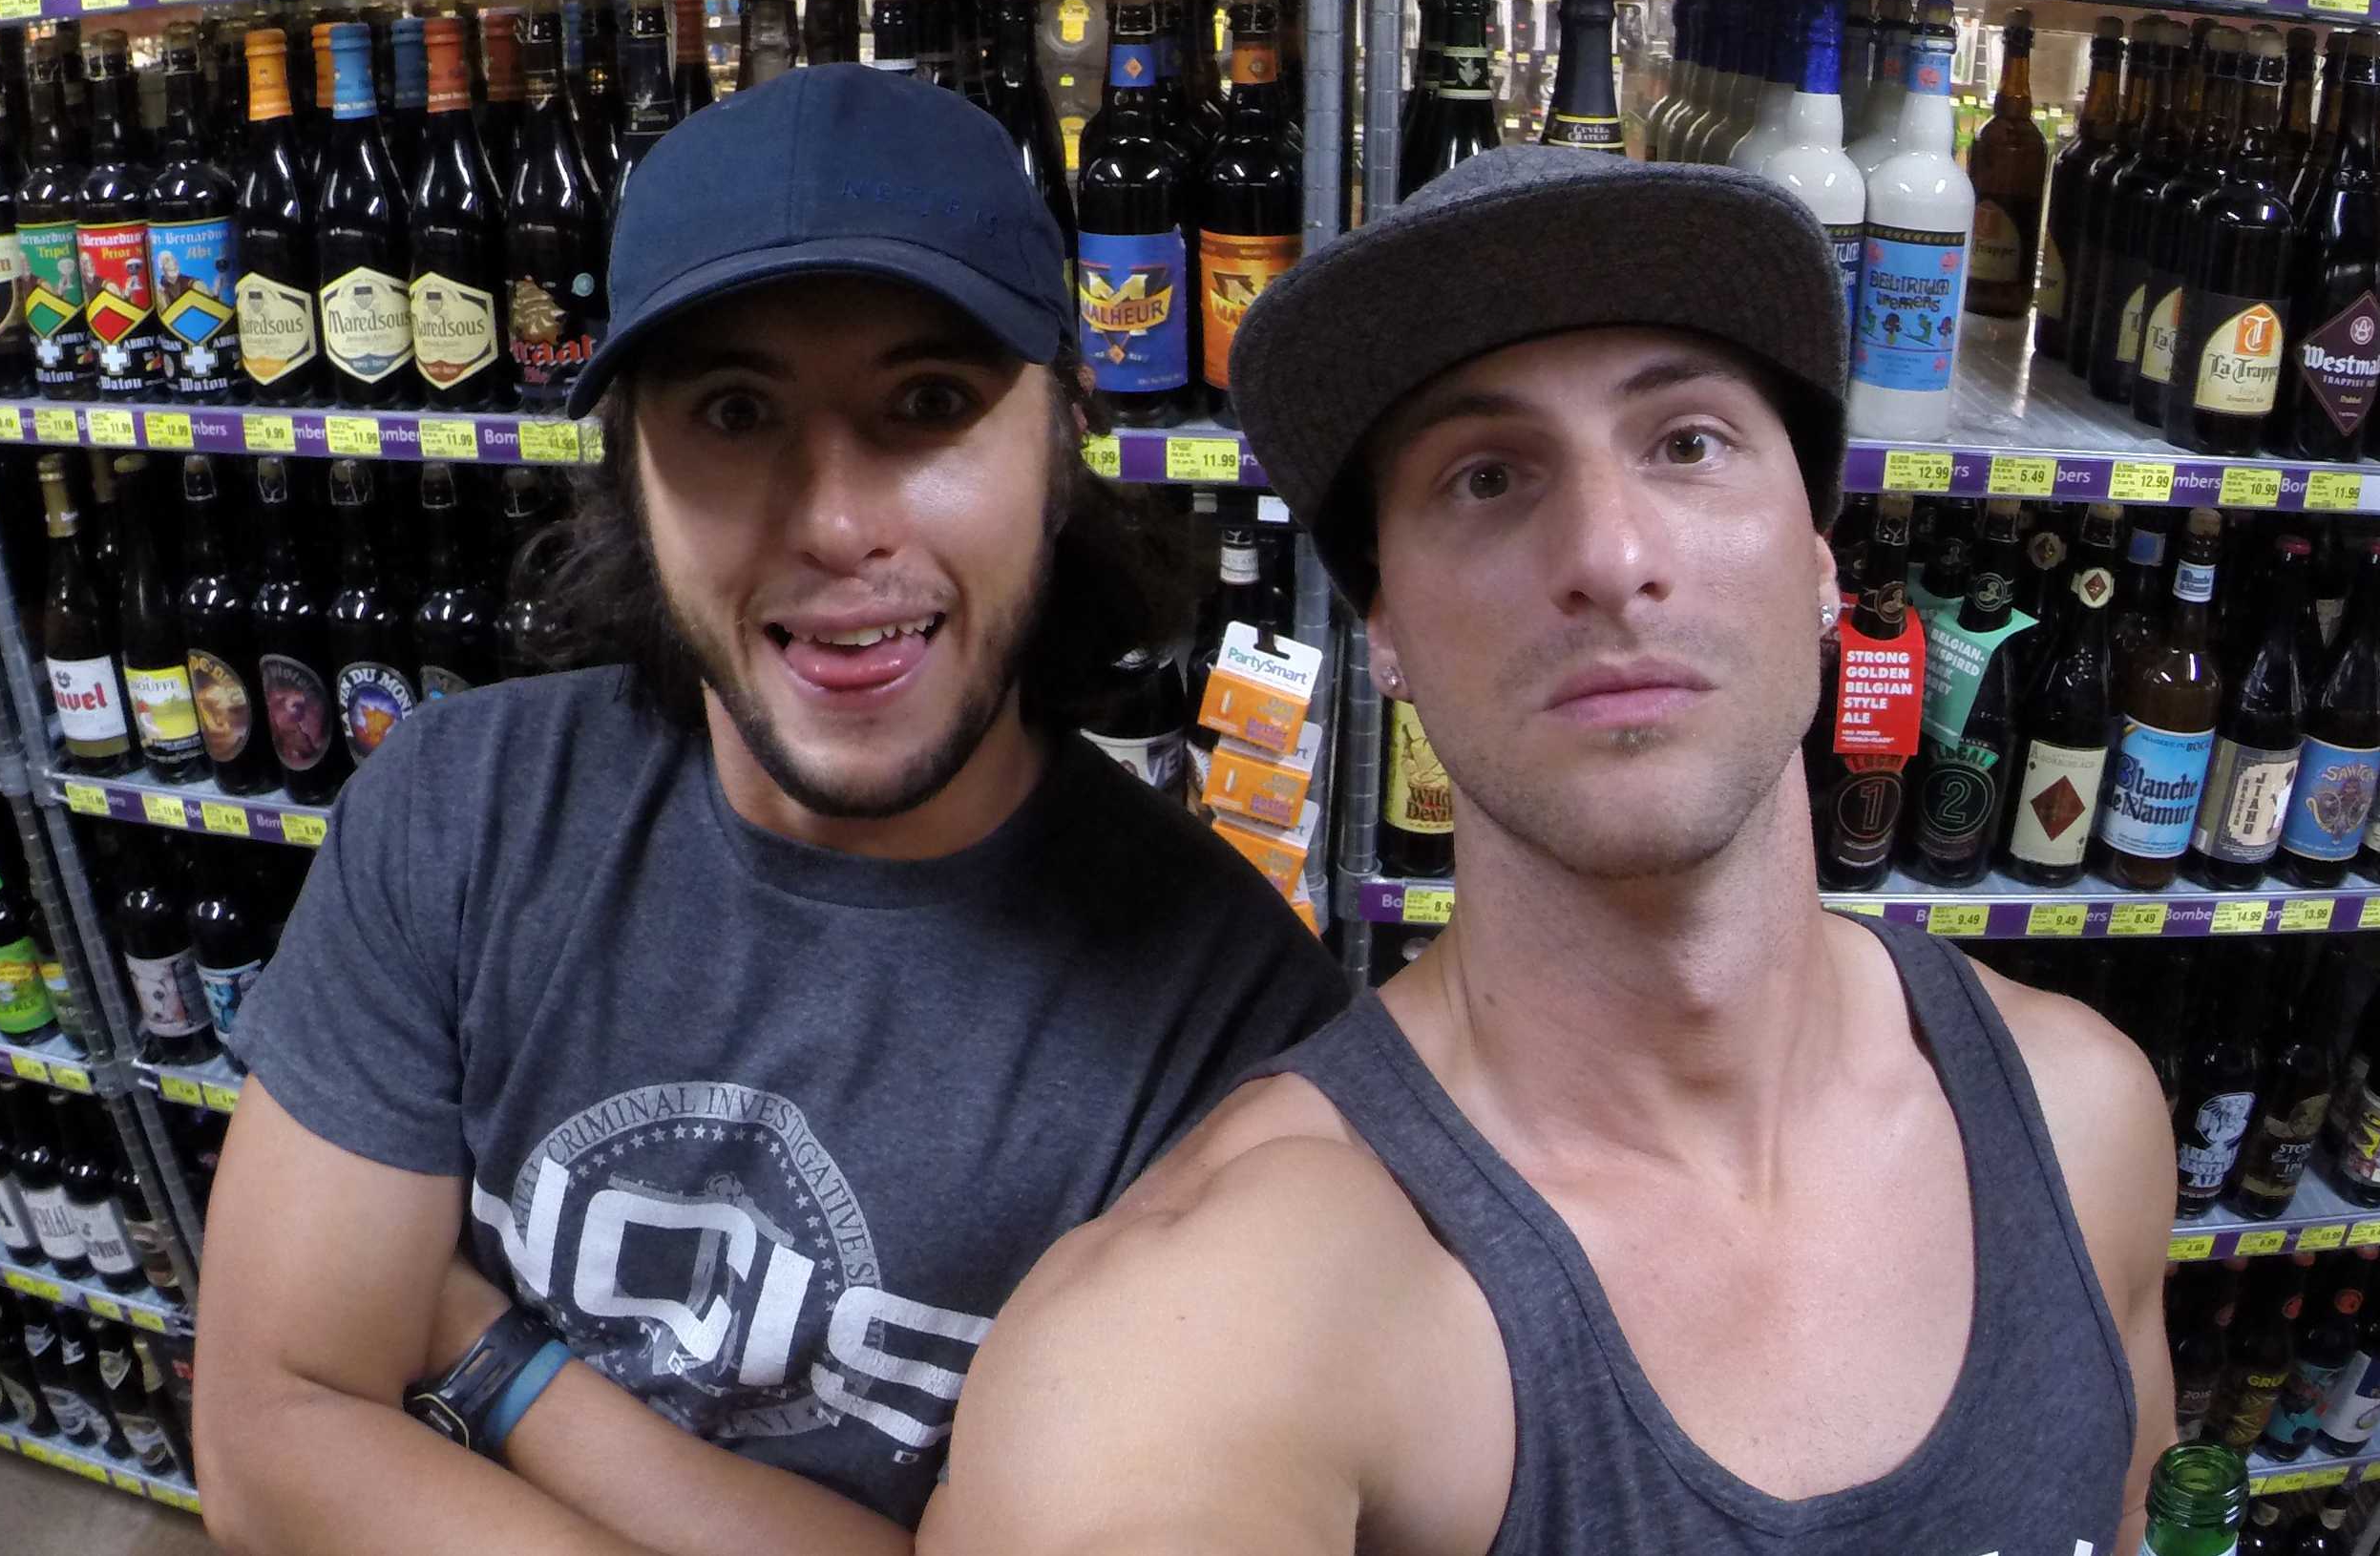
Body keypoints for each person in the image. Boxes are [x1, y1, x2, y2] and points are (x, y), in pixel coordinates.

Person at [920, 148, 2177, 1554]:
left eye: (1688, 443)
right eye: (1487, 477)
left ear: (1821, 557)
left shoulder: (2087, 1120)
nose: (1611, 553)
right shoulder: (1209, 1327)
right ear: (1386, 629)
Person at [194, 64, 1349, 1553]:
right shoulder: (461, 809)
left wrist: (495, 1360)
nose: (836, 522)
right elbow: (273, 1437)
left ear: (1062, 442)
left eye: (929, 403)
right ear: (633, 470)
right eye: (735, 412)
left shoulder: (1236, 1038)